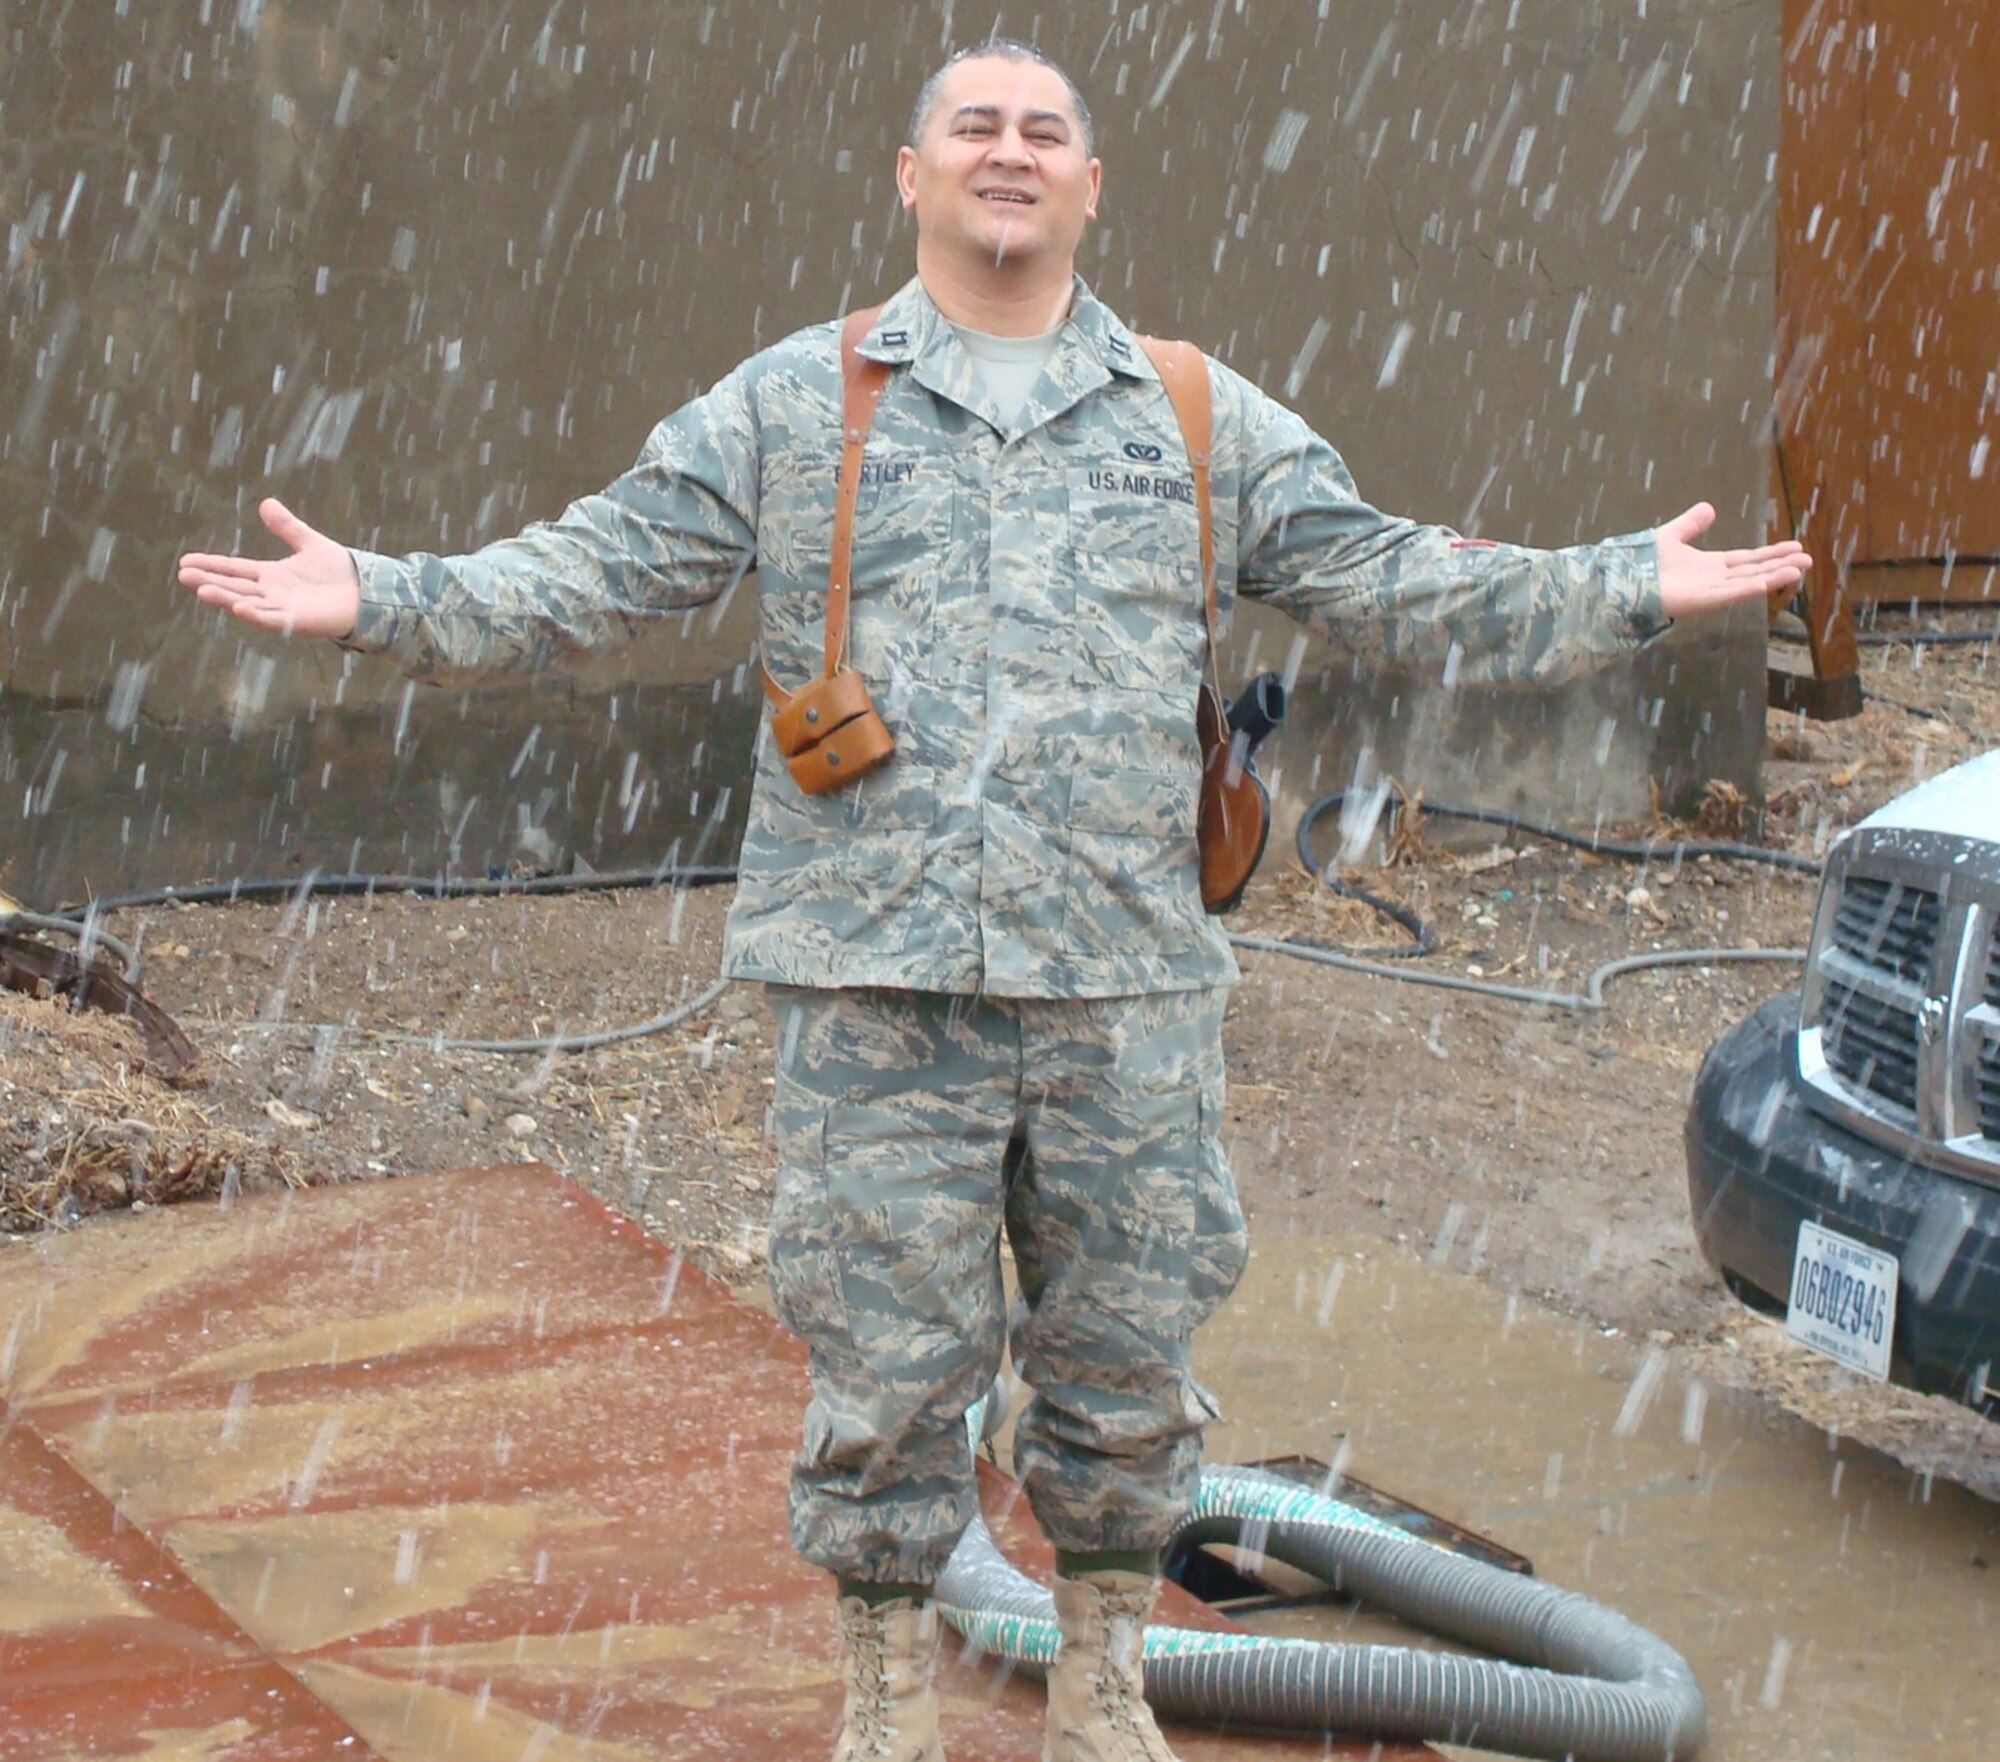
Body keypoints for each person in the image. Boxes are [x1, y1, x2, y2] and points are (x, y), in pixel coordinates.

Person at [179, 40, 1810, 1762]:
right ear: (911, 175)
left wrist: (1625, 584)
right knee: (884, 1376)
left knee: (1125, 1368)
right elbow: (590, 572)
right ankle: (885, 1701)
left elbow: (1386, 576)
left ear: (1091, 186)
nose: (1010, 153)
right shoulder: (794, 405)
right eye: (976, 127)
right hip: (876, 982)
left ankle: (1103, 1684)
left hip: (1125, 989)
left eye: (1046, 133)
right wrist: (379, 596)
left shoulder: (1192, 413)